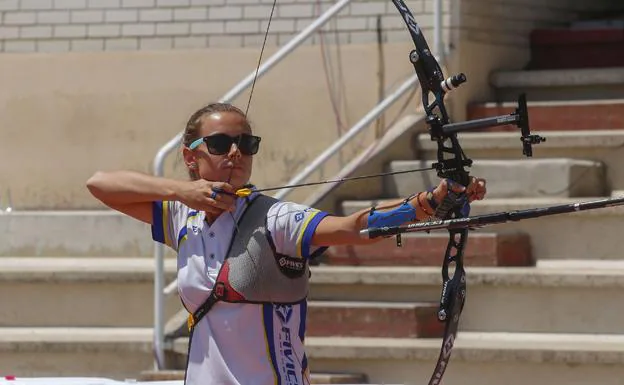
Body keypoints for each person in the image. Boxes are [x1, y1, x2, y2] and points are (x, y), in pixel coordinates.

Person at [86, 102, 487, 385]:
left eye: (246, 144)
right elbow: (100, 184)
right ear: (191, 157)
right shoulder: (181, 216)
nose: (236, 154)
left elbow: (350, 227)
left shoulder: (276, 219)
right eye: (221, 144)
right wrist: (181, 192)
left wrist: (426, 203)